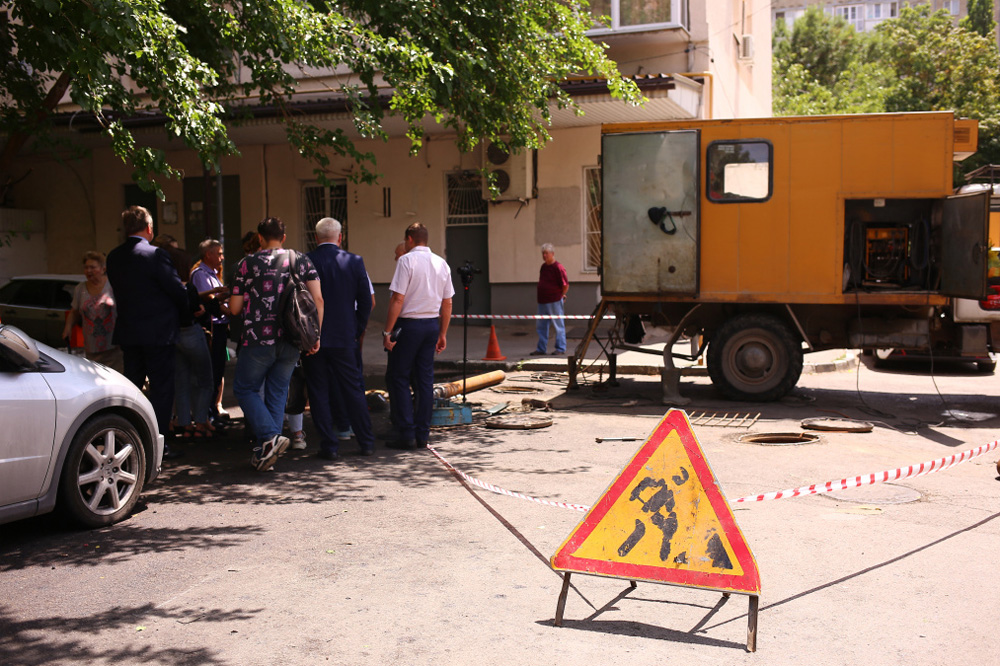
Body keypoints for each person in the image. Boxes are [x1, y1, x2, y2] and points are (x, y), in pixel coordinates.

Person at [229, 217, 323, 472]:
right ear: (284, 236)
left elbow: (235, 308)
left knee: (245, 388)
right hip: (292, 339)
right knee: (277, 392)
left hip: (258, 338)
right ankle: (266, 452)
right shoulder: (301, 260)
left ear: (259, 238)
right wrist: (315, 336)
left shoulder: (246, 264)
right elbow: (318, 300)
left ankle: (269, 437)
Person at [105, 205, 189, 459]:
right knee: (162, 390)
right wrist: (185, 315)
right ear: (149, 228)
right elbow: (176, 291)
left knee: (131, 388)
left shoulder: (114, 256)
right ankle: (158, 444)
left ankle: (128, 441)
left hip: (130, 332)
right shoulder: (155, 255)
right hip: (158, 333)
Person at [303, 217, 375, 460]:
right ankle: (366, 441)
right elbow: (365, 300)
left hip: (314, 336)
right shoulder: (354, 261)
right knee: (353, 388)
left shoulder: (307, 261)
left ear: (316, 237)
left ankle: (329, 445)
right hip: (345, 336)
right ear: (340, 237)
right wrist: (356, 328)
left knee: (318, 391)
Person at [382, 222, 453, 450]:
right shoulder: (441, 263)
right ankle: (423, 433)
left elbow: (398, 299)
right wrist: (442, 332)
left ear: (409, 239)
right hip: (431, 324)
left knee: (399, 377)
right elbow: (448, 302)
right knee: (425, 381)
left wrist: (387, 331)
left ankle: (406, 433)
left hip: (408, 325)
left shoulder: (406, 260)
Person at [157, 243, 214, 440]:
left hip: (174, 335)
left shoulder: (165, 288)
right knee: (205, 379)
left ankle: (184, 423)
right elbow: (198, 310)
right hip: (191, 332)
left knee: (181, 381)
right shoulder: (187, 287)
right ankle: (200, 421)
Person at [61, 250, 124, 373]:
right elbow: (74, 311)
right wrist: (67, 328)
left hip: (114, 347)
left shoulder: (113, 285)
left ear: (103, 268)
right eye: (86, 267)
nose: (89, 271)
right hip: (91, 347)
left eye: (93, 267)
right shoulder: (80, 289)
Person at [191, 238, 231, 423]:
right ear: (208, 254)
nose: (222, 257)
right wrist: (230, 310)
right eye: (219, 253)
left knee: (218, 369)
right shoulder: (200, 274)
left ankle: (212, 410)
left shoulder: (213, 273)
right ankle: (207, 414)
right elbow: (209, 302)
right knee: (211, 370)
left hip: (221, 325)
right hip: (212, 327)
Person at [531, 243, 569, 356]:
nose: (544, 255)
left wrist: (561, 295)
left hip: (554, 300)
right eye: (543, 253)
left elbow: (565, 285)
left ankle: (561, 348)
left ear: (552, 254)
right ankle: (541, 348)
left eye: (546, 253)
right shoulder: (543, 267)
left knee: (558, 325)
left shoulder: (558, 267)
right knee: (541, 326)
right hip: (542, 301)